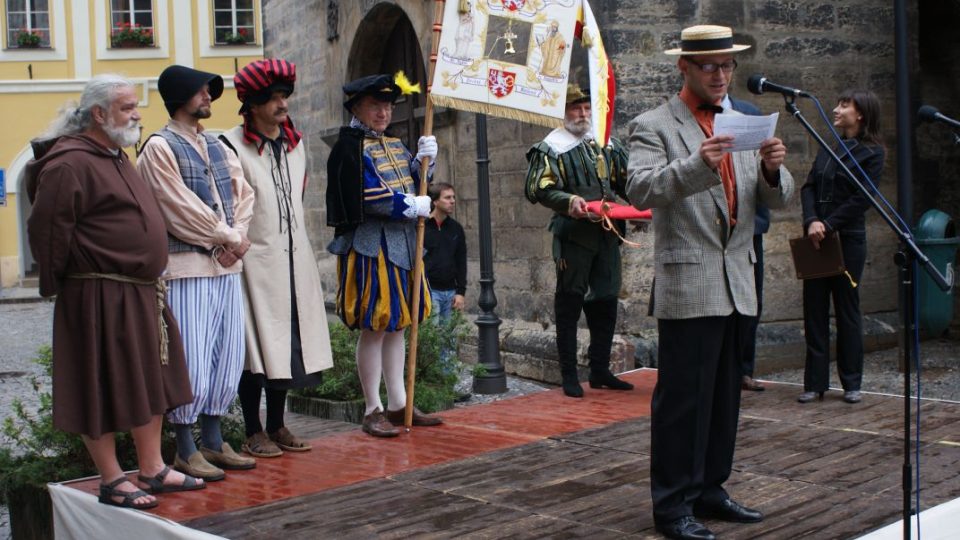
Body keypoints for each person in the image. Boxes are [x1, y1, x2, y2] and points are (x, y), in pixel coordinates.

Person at [625, 25, 794, 540]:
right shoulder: (654, 124)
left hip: (739, 279)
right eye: (709, 66)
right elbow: (640, 187)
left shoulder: (744, 120)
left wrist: (771, 171)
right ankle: (672, 505)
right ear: (684, 68)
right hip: (689, 281)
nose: (720, 75)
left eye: (727, 66)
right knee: (683, 402)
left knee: (725, 398)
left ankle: (710, 489)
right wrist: (697, 165)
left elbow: (776, 198)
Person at [26, 74, 203, 509]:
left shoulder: (116, 154)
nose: (137, 114)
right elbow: (48, 232)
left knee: (153, 379)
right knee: (98, 384)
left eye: (135, 106)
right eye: (127, 107)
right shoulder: (68, 163)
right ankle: (111, 479)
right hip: (97, 294)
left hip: (142, 292)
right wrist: (72, 286)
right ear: (99, 114)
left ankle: (152, 467)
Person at [138, 65, 256, 480]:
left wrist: (236, 237)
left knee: (226, 353)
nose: (208, 96)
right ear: (180, 95)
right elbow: (175, 206)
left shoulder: (218, 145)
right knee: (192, 353)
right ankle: (184, 447)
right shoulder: (158, 147)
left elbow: (244, 194)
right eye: (201, 90)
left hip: (225, 266)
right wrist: (225, 238)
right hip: (186, 268)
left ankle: (212, 438)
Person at [220, 59, 334, 457]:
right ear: (252, 104)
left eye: (284, 96)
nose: (282, 104)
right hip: (253, 262)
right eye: (273, 98)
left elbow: (296, 201)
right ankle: (253, 431)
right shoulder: (230, 145)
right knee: (257, 348)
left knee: (290, 345)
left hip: (294, 257)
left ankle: (278, 425)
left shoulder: (296, 144)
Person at [326, 73, 443, 437]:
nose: (384, 112)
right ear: (357, 107)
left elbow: (410, 179)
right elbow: (367, 197)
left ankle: (398, 403)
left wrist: (425, 162)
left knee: (399, 323)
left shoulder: (393, 144)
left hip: (403, 245)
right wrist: (410, 203)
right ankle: (372, 408)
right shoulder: (349, 147)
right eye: (376, 105)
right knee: (375, 326)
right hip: (370, 247)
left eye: (388, 105)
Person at [524, 84, 634, 398]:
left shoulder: (605, 143)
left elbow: (628, 180)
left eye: (586, 108)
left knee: (607, 300)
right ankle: (569, 375)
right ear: (563, 112)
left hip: (608, 232)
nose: (583, 114)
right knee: (570, 303)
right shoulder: (550, 147)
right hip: (574, 235)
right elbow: (537, 188)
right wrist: (568, 200)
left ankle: (599, 369)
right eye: (576, 108)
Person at [799, 89, 885, 405]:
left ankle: (851, 382)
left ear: (861, 113)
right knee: (814, 309)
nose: (836, 109)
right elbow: (808, 186)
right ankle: (814, 382)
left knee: (846, 309)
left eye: (844, 105)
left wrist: (829, 223)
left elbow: (862, 198)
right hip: (815, 237)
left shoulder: (873, 153)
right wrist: (811, 220)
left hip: (846, 240)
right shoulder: (829, 147)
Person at [723, 94, 769, 392]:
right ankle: (724, 368)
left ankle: (744, 368)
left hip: (749, 227)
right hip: (716, 228)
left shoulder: (749, 113)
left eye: (727, 66)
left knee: (751, 300)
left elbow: (764, 172)